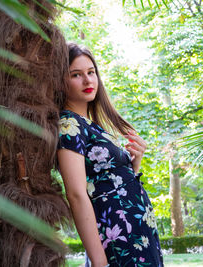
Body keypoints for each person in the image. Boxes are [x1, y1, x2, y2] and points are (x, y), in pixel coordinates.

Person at [57, 43, 164, 267]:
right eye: (76, 75)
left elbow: (108, 184)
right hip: (118, 237)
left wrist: (133, 163)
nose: (88, 81)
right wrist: (99, 263)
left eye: (91, 72)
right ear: (60, 80)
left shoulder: (91, 125)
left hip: (135, 233)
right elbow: (76, 194)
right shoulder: (69, 124)